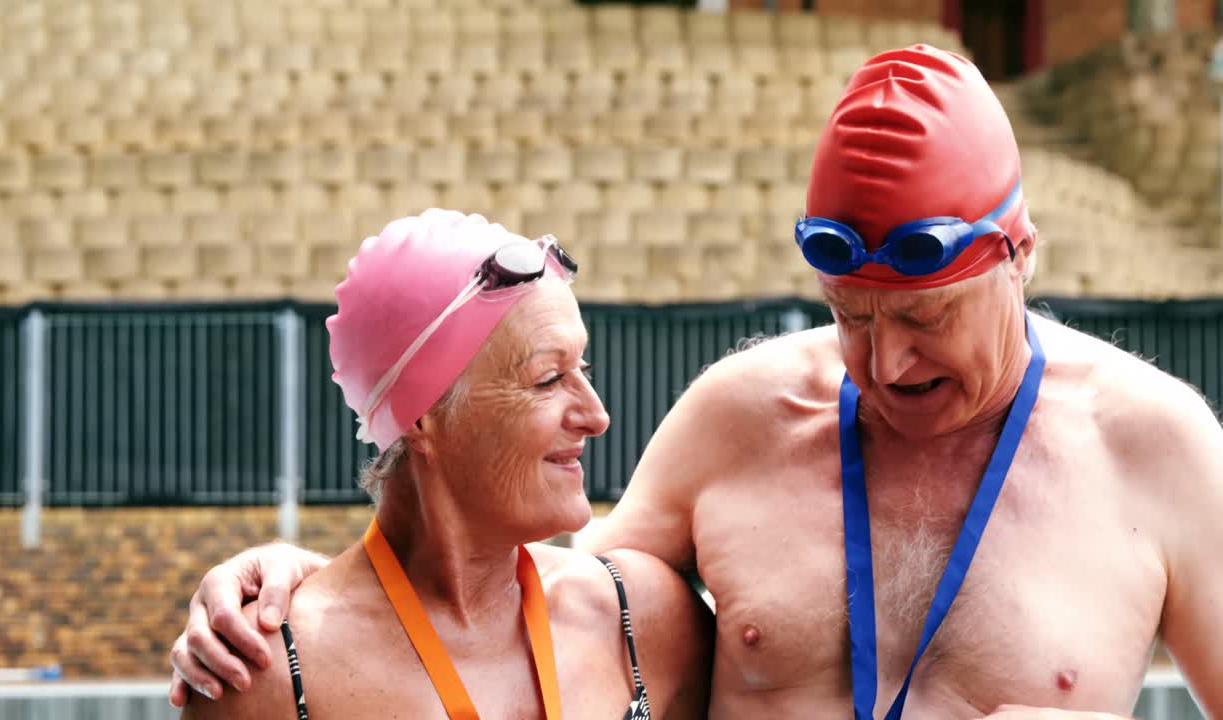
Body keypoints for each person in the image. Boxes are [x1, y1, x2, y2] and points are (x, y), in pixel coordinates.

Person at [170, 46, 1223, 718]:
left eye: (923, 317)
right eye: (847, 316)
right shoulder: (737, 419)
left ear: (1018, 251)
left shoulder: (1159, 450)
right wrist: (304, 584)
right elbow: (524, 615)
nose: (882, 362)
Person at [176, 209, 712, 719]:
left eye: (584, 367)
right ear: (421, 418)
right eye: (548, 379)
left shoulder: (641, 620)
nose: (597, 416)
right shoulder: (269, 674)